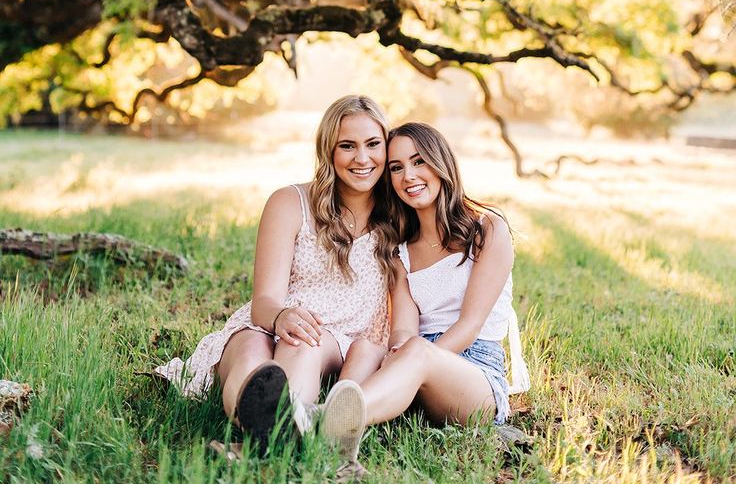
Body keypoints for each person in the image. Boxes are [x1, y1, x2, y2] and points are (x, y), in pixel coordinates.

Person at [154, 95, 395, 454]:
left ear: (387, 147)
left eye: (373, 144)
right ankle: (261, 421)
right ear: (328, 150)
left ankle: (260, 438)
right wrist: (281, 315)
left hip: (330, 338)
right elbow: (264, 301)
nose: (362, 158)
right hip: (269, 322)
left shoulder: (398, 217)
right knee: (252, 352)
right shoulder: (290, 203)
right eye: (348, 146)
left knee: (302, 342)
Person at [324, 122, 530, 457]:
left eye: (419, 161)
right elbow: (404, 328)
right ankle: (340, 442)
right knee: (364, 348)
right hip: (416, 367)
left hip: (475, 377)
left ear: (441, 163)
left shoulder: (488, 228)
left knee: (417, 351)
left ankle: (324, 419)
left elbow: (469, 325)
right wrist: (401, 354)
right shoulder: (400, 251)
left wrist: (413, 356)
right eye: (396, 168)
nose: (409, 176)